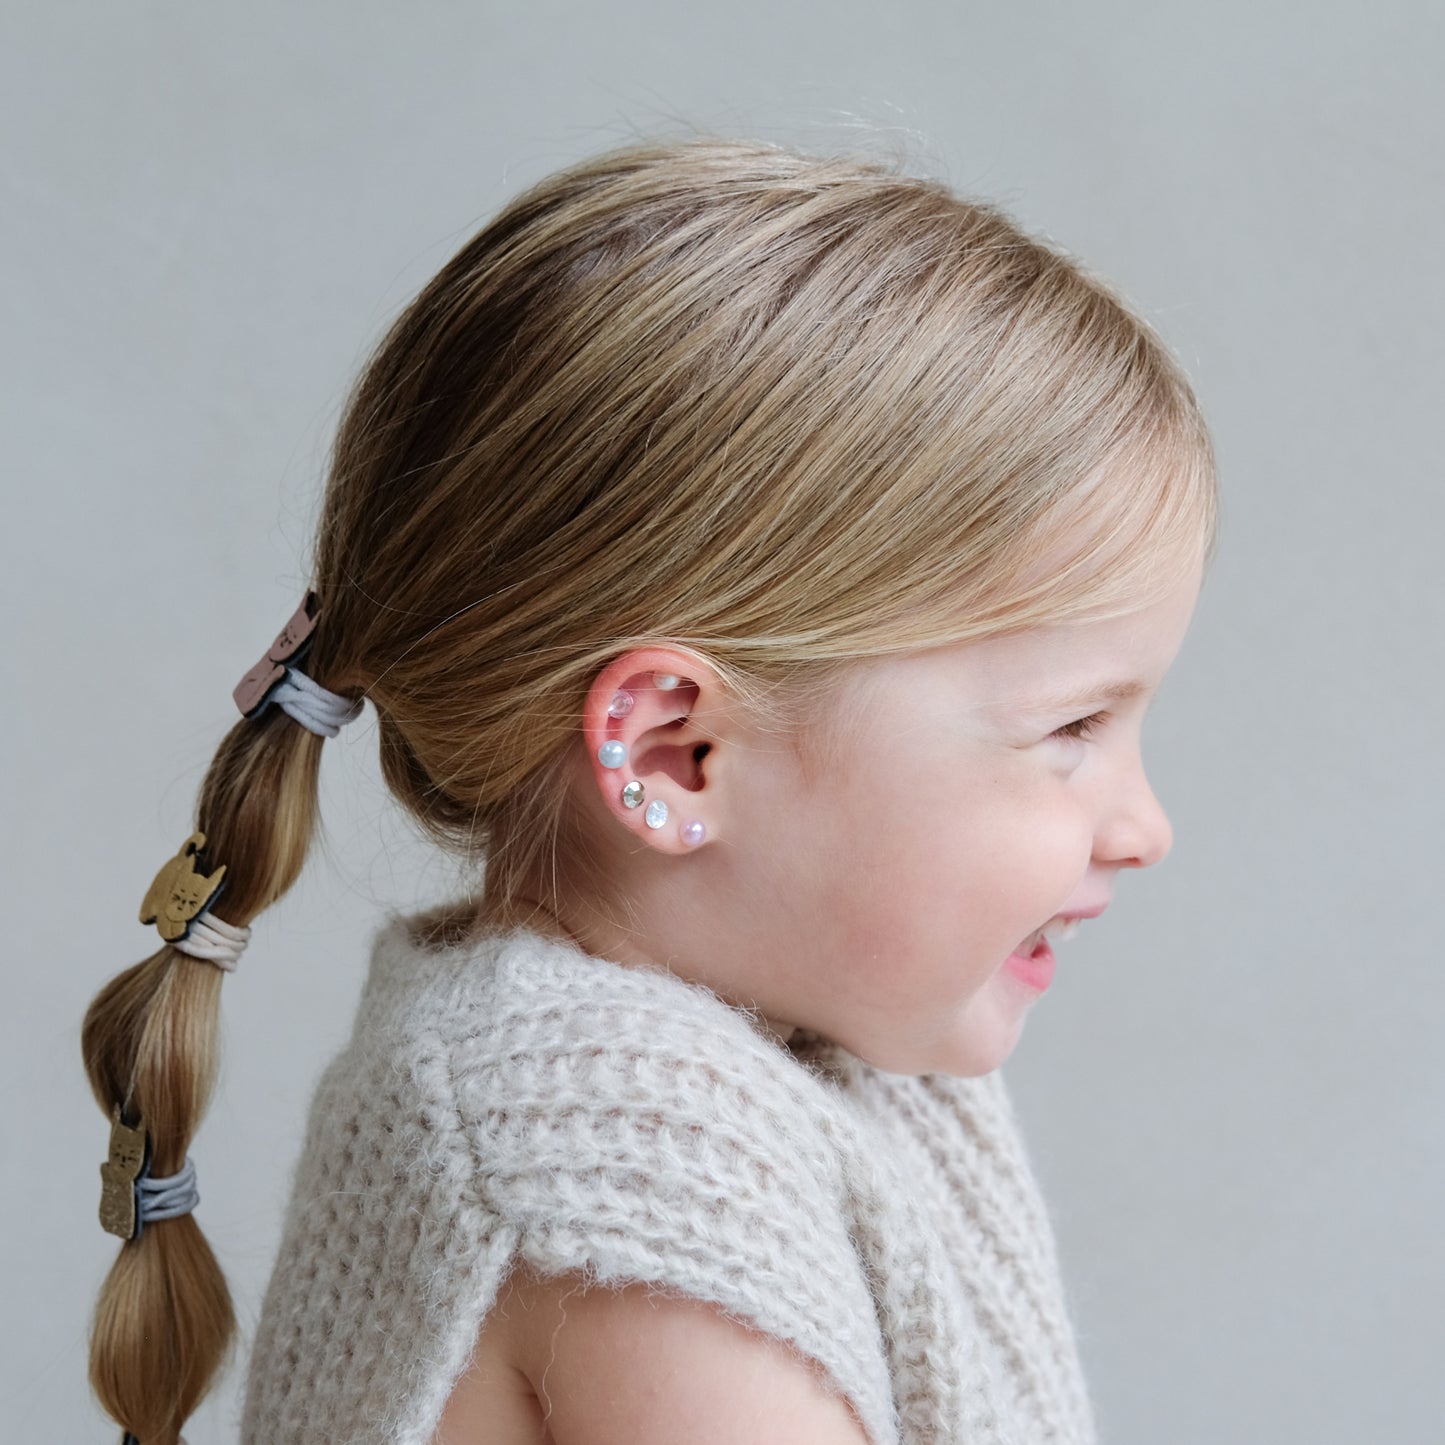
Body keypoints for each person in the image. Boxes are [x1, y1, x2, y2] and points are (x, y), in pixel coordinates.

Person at [81, 137, 1217, 1445]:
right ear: (674, 753)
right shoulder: (623, 1184)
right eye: (1072, 726)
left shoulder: (751, 1070)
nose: (1144, 827)